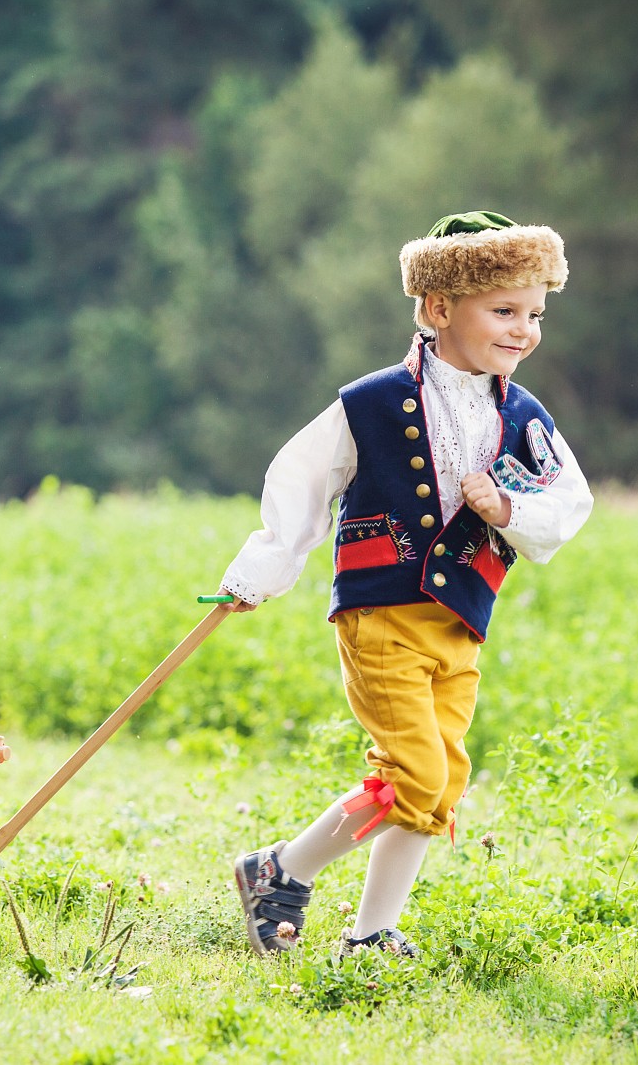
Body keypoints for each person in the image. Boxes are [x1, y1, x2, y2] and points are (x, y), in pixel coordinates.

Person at [222, 211, 593, 956]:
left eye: (535, 314)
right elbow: (303, 478)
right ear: (438, 308)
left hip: (460, 619)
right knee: (416, 769)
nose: (525, 329)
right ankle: (282, 870)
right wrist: (265, 566)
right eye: (505, 310)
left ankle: (370, 932)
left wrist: (509, 506)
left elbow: (570, 501)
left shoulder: (523, 415)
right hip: (382, 612)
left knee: (439, 778)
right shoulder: (370, 401)